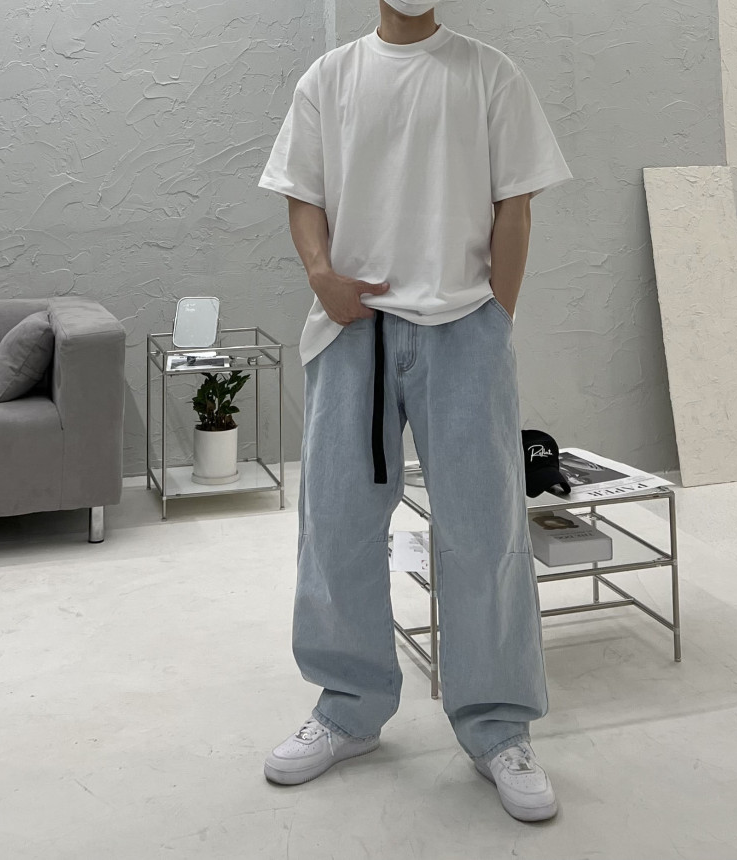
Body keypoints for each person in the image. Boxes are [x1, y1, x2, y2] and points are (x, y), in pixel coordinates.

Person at [257, 0, 573, 823]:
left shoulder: (489, 74)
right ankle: (347, 708)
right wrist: (321, 276)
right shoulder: (330, 78)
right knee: (335, 525)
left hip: (463, 328)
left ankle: (498, 727)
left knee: (484, 529)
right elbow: (302, 191)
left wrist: (495, 319)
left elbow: (516, 205)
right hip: (351, 330)